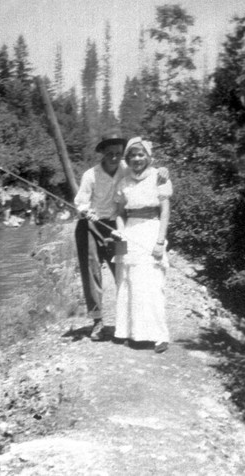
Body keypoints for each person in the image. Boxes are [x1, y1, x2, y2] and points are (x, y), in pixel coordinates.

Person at [74, 129, 169, 341]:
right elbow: (80, 202)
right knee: (92, 271)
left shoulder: (127, 169)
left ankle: (128, 323)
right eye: (110, 153)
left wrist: (163, 171)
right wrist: (85, 211)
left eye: (118, 153)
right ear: (103, 154)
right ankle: (98, 321)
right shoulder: (90, 175)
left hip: (119, 227)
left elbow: (149, 173)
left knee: (123, 269)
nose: (115, 157)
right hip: (90, 227)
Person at [113, 136, 173, 353]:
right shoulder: (123, 182)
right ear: (127, 159)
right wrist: (120, 232)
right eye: (133, 155)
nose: (137, 159)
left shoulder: (160, 177)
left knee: (152, 284)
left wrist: (160, 241)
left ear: (148, 157)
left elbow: (165, 212)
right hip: (128, 232)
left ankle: (159, 336)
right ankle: (131, 332)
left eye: (141, 155)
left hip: (151, 230)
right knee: (126, 281)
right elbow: (119, 213)